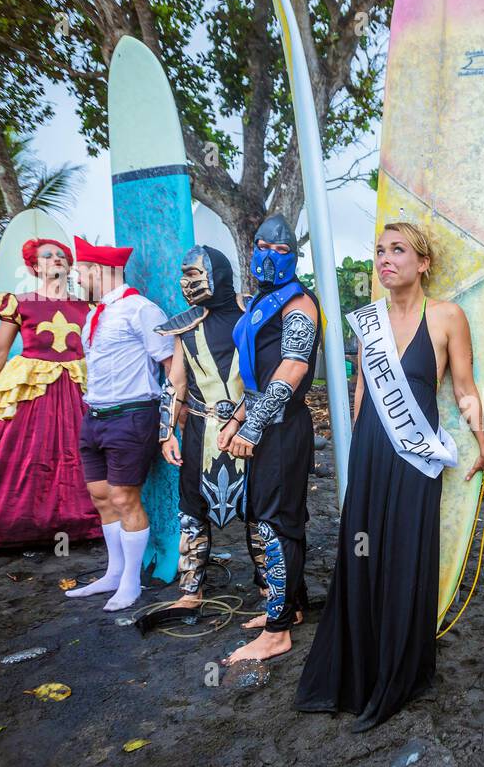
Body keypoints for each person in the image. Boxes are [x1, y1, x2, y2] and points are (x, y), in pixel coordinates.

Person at [295, 221, 484, 729]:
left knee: (405, 557)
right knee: (361, 555)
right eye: (380, 251)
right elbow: (364, 392)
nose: (385, 259)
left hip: (416, 459)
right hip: (372, 453)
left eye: (398, 250)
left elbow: (465, 390)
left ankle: (400, 675)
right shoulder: (369, 322)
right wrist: (357, 461)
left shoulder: (449, 317)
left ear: (423, 263)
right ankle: (358, 672)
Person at [0, 239, 100, 548]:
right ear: (34, 267)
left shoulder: (88, 307)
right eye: (47, 256)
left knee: (75, 455)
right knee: (25, 453)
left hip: (75, 387)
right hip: (31, 389)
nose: (56, 259)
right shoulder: (19, 302)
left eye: (61, 255)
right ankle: (15, 525)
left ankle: (79, 524)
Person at [218, 215, 321, 662]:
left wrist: (255, 424)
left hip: (283, 426)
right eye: (263, 245)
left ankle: (278, 631)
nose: (270, 255)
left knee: (277, 525)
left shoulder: (298, 303)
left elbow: (293, 368)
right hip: (263, 419)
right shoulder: (263, 300)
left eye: (282, 251)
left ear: (295, 257)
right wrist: (237, 416)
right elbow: (256, 374)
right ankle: (292, 607)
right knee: (268, 517)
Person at [66, 237, 173, 612]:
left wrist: (172, 420)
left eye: (79, 271)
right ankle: (113, 573)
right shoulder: (96, 315)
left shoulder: (140, 309)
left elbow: (171, 363)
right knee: (100, 496)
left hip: (132, 415)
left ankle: (131, 584)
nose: (76, 278)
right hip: (94, 417)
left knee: (125, 498)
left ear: (97, 270)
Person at [155, 245, 247, 614]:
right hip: (199, 426)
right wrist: (166, 433)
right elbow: (175, 382)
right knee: (192, 511)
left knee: (258, 511)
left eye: (193, 273)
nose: (186, 281)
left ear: (217, 273)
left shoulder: (252, 313)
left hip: (249, 429)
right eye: (184, 274)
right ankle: (191, 590)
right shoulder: (186, 324)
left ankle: (270, 591)